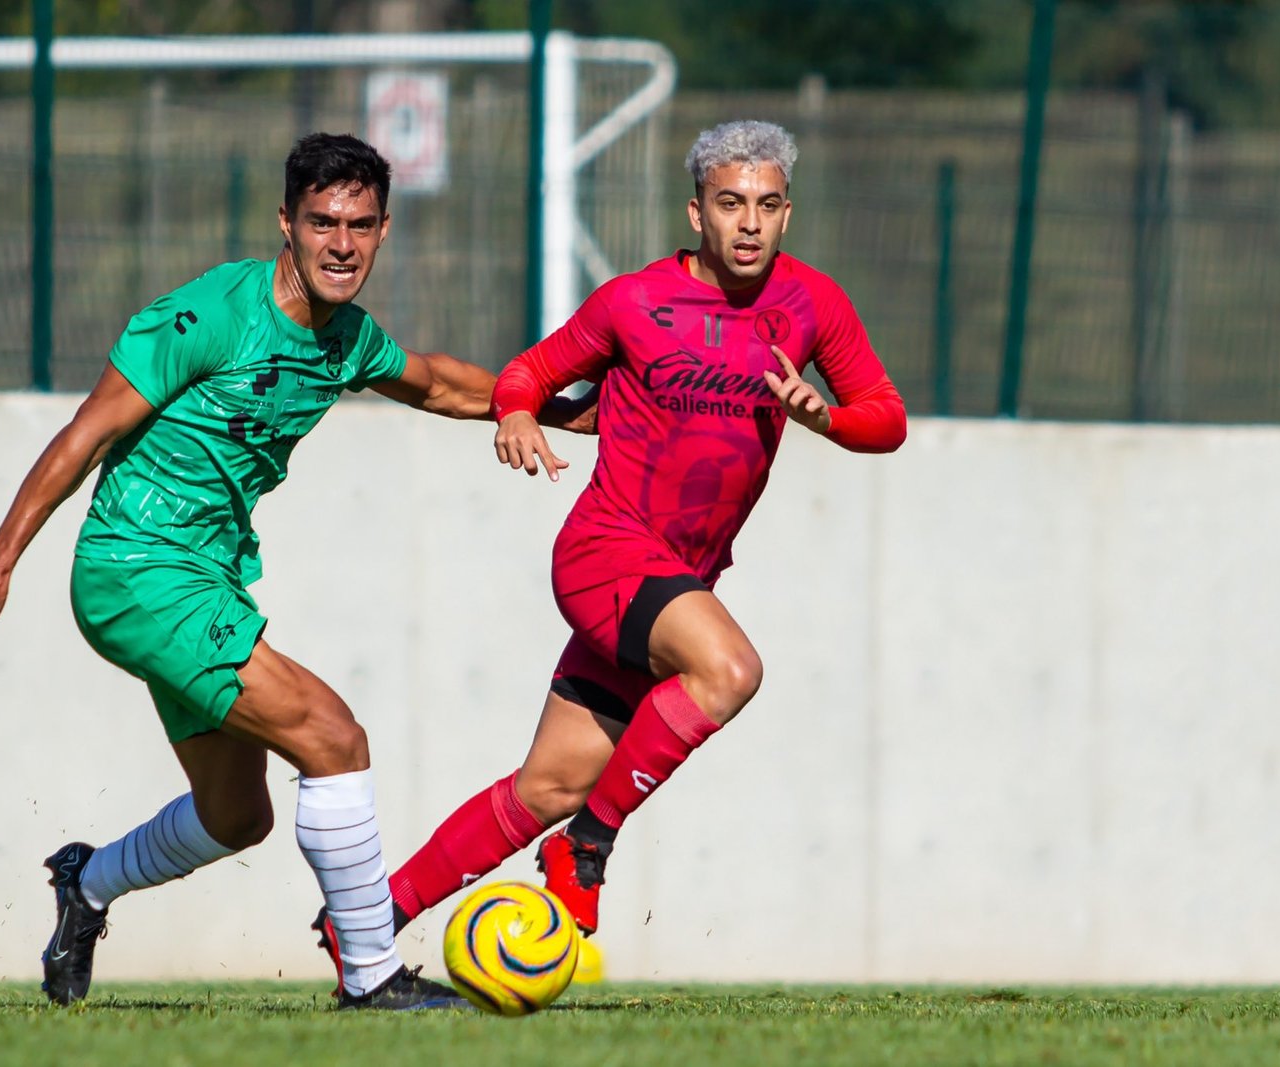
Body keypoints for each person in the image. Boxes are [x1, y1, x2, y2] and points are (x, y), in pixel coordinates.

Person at [0, 132, 588, 1010]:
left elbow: (432, 383)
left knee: (238, 816)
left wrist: (553, 406)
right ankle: (372, 974)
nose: (340, 243)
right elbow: (87, 433)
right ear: (287, 223)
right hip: (138, 567)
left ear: (384, 230)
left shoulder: (345, 339)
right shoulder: (210, 314)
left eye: (359, 224)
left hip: (205, 580)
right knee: (334, 737)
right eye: (321, 222)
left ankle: (85, 887)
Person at [313, 119, 907, 977]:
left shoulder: (813, 303)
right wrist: (516, 412)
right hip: (606, 553)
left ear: (789, 214)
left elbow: (885, 420)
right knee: (731, 670)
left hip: (674, 582)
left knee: (546, 786)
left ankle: (364, 920)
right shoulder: (634, 301)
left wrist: (827, 416)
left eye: (769, 206)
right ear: (696, 210)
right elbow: (529, 371)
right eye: (731, 203)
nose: (749, 223)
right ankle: (586, 849)